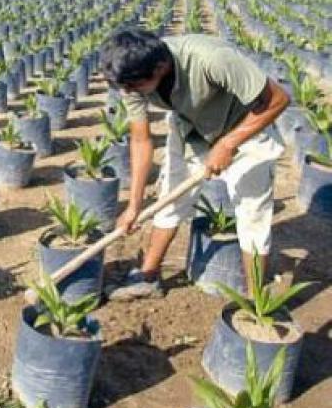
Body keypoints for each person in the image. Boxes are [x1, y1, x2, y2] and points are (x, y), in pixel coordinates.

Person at [100, 26, 289, 300]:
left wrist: (227, 143)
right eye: (124, 87)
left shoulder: (211, 58)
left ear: (161, 67)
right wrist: (133, 206)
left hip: (248, 126)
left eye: (134, 86)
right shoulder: (130, 77)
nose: (128, 92)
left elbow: (278, 99)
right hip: (191, 127)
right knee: (169, 199)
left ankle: (255, 302)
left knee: (252, 215)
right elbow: (141, 140)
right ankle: (148, 276)